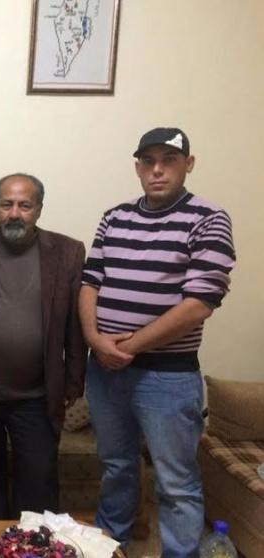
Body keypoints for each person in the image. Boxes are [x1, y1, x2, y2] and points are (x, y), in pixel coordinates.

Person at [79, 128, 236, 556]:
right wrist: (94, 338)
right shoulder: (115, 217)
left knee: (176, 482)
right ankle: (109, 548)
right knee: (116, 467)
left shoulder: (209, 218)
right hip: (105, 370)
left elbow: (199, 304)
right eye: (148, 161)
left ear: (189, 164)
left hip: (167, 378)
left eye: (169, 160)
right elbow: (90, 283)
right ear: (137, 168)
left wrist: (129, 346)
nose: (158, 170)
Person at [0, 173, 86, 519]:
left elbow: (76, 324)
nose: (14, 213)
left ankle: (32, 542)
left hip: (36, 396)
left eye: (25, 205)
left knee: (39, 483)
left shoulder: (67, 252)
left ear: (39, 209)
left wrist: (73, 382)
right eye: (6, 204)